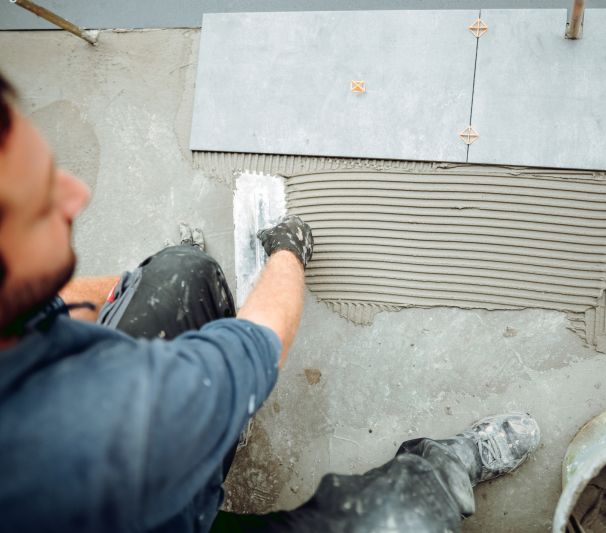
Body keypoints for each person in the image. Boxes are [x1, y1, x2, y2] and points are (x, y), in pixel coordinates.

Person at [0, 71, 540, 533]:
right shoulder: (107, 424)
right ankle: (446, 466)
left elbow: (50, 296)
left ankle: (171, 281)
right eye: (41, 198)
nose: (77, 194)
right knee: (407, 517)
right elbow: (260, 343)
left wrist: (128, 291)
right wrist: (288, 256)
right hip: (147, 501)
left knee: (181, 275)